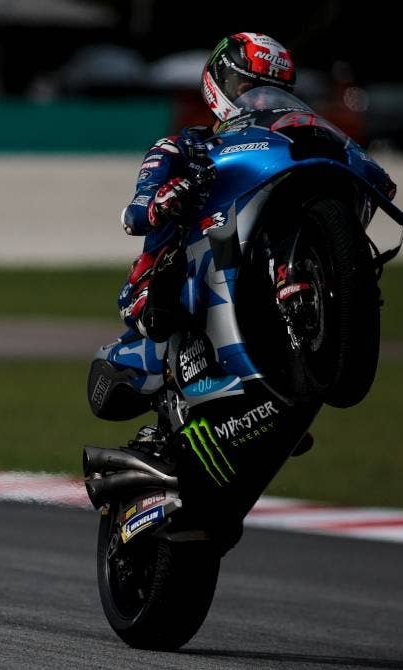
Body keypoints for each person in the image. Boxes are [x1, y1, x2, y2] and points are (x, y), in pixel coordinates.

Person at [87, 33, 298, 428]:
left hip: (245, 261)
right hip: (170, 277)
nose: (261, 102)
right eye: (249, 90)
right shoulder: (182, 147)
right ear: (222, 84)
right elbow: (134, 216)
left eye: (273, 93)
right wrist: (167, 199)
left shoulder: (282, 146)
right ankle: (186, 385)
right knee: (203, 257)